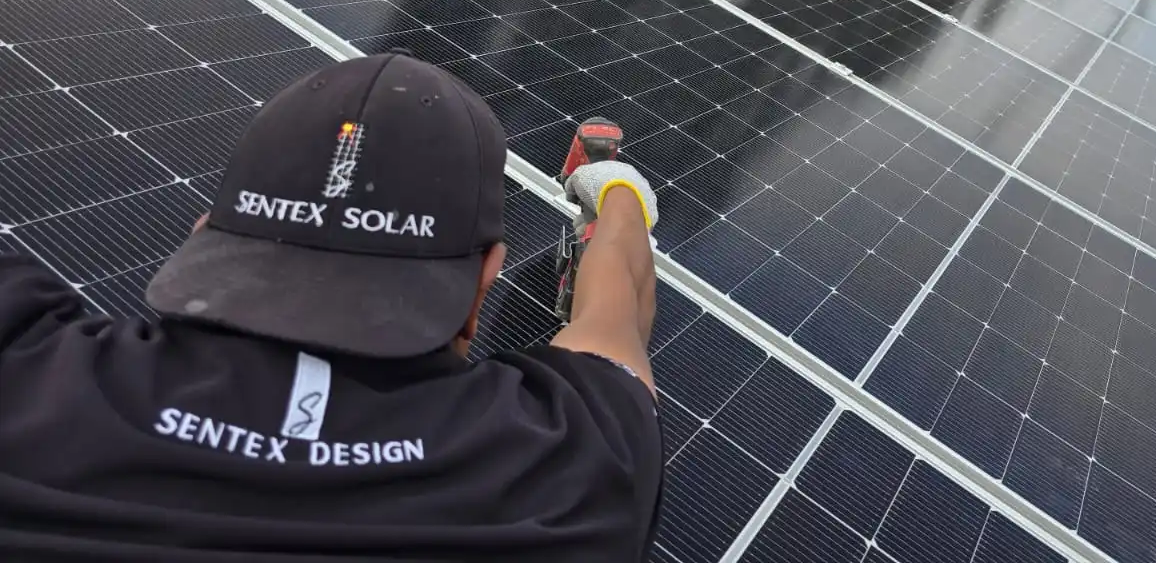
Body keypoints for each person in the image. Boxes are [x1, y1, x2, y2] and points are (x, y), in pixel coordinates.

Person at [0, 52, 663, 560]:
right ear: (482, 284)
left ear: (203, 234)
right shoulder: (569, 472)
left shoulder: (24, 374)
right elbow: (614, 313)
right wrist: (618, 195)